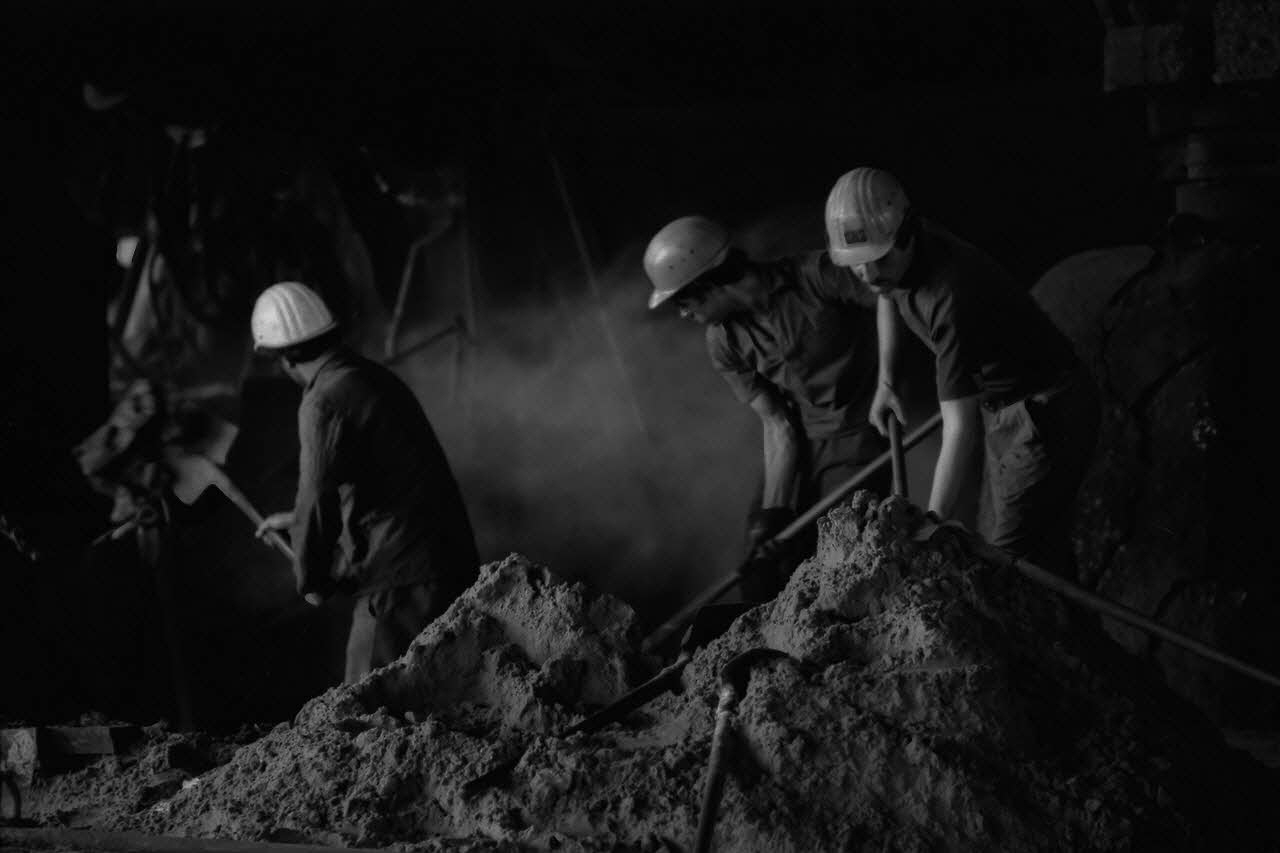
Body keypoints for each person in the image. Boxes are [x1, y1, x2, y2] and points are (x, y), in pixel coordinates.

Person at [824, 167, 1100, 579]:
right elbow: (885, 292)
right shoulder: (895, 256)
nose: (866, 276)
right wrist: (886, 381)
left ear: (905, 235)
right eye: (856, 267)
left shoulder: (950, 295)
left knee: (1007, 564)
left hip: (1044, 409)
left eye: (875, 262)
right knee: (1035, 550)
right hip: (1004, 404)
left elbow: (959, 427)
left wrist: (929, 522)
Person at [643, 215, 889, 598]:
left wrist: (894, 381)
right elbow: (777, 424)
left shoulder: (817, 276)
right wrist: (771, 516)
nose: (683, 314)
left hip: (859, 436)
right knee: (761, 570)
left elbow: (894, 298)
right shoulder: (722, 342)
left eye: (682, 301)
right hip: (801, 445)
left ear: (708, 282)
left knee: (840, 559)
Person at [250, 281, 479, 682]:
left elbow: (317, 494)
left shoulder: (322, 398)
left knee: (368, 708)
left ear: (282, 358)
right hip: (444, 561)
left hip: (399, 582)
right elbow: (383, 476)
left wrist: (312, 580)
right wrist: (297, 520)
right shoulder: (369, 377)